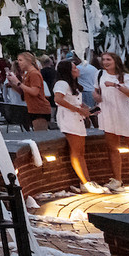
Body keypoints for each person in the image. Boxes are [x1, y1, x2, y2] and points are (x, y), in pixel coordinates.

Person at [96, 50, 129, 190]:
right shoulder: (100, 74)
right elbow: (96, 90)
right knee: (113, 147)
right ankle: (117, 180)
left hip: (125, 113)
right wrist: (96, 96)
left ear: (116, 61)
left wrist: (116, 86)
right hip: (108, 113)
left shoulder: (127, 77)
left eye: (108, 59)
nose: (105, 62)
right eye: (104, 59)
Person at [51, 62, 102, 194]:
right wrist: (78, 110)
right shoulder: (62, 83)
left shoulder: (73, 84)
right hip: (68, 118)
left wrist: (86, 109)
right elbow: (58, 99)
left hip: (76, 118)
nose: (77, 69)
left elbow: (75, 100)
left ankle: (86, 181)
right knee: (77, 151)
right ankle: (85, 182)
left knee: (80, 151)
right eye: (74, 67)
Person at [15, 53, 50, 131]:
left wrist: (18, 83)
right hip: (33, 108)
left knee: (41, 135)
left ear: (29, 61)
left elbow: (34, 92)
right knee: (38, 134)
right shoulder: (27, 74)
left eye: (20, 60)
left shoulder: (34, 73)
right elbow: (24, 91)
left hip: (40, 109)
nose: (18, 62)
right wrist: (13, 82)